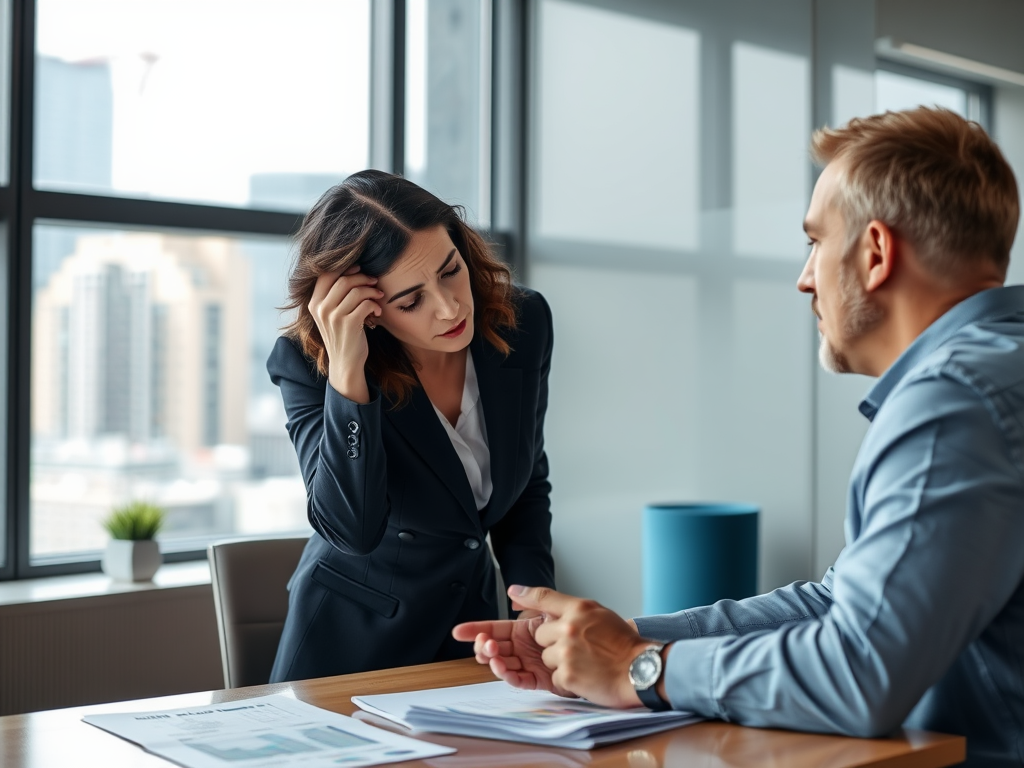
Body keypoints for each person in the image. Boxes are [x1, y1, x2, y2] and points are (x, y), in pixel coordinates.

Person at [454, 107, 1024, 767]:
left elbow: (860, 673)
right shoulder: (995, 372)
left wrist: (641, 668)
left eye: (815, 241)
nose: (805, 277)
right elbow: (842, 603)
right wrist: (614, 639)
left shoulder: (952, 402)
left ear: (874, 252)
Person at [268, 170, 555, 682]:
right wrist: (348, 376)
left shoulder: (522, 321)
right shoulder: (307, 363)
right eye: (410, 301)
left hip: (473, 634)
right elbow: (351, 530)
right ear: (365, 310)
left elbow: (526, 479)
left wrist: (532, 605)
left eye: (450, 271)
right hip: (349, 648)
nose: (450, 308)